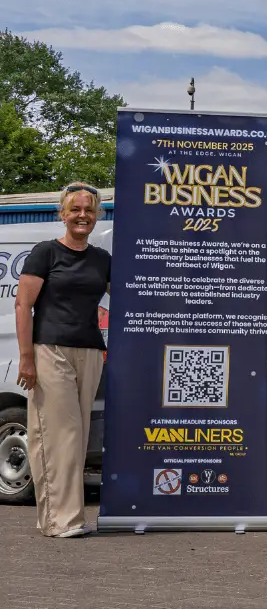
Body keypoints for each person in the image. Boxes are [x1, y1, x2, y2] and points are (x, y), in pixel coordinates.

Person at [15, 182, 111, 538]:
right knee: (60, 435)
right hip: (49, 350)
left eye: (88, 210)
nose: (82, 216)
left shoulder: (102, 259)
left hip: (89, 350)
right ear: (63, 214)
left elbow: (132, 296)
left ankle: (55, 519)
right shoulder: (46, 253)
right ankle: (63, 521)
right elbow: (23, 305)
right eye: (75, 210)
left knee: (79, 435)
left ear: (97, 215)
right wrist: (27, 358)